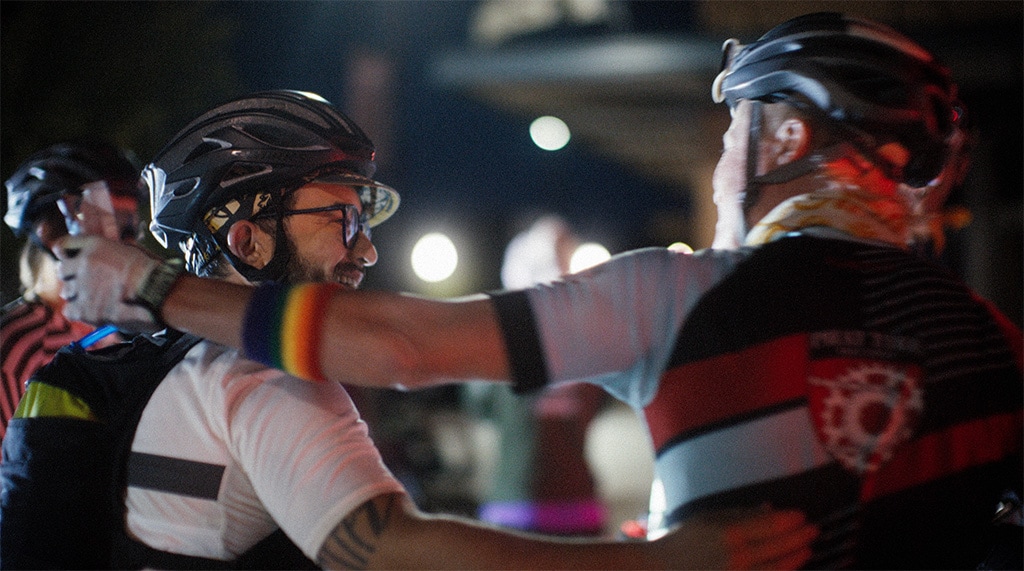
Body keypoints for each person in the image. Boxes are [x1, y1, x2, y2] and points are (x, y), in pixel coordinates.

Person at [58, 14, 1023, 568]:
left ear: (787, 143)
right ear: (247, 227)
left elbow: (403, 346)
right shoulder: (994, 342)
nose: (724, 161)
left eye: (732, 135)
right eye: (339, 216)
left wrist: (149, 286)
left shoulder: (673, 295)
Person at [29, 89, 817, 569]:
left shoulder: (131, 355)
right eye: (341, 216)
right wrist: (661, 565)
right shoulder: (259, 379)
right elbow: (398, 554)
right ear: (246, 237)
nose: (366, 247)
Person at [464, 215, 609, 537]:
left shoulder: (493, 343)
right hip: (571, 505)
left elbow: (478, 403)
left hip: (519, 505)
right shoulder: (591, 341)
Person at [0, 140, 143, 439]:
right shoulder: (18, 347)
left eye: (133, 228)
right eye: (115, 225)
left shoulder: (122, 337)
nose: (130, 244)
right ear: (52, 235)